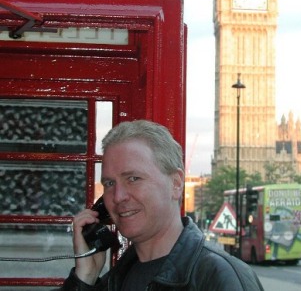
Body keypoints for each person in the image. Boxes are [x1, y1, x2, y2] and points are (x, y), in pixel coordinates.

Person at [58, 119, 265, 290]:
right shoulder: (115, 279)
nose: (118, 196)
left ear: (175, 183)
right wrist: (84, 278)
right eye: (110, 183)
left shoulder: (220, 279)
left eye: (133, 179)